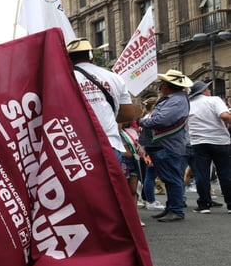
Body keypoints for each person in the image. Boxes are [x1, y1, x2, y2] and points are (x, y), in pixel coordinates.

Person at [137, 69, 193, 222]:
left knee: (172, 178)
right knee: (169, 178)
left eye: (163, 83)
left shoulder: (176, 101)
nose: (160, 86)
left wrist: (141, 121)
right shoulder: (174, 99)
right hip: (164, 145)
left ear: (168, 86)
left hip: (167, 146)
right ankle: (171, 208)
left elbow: (161, 120)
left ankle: (176, 209)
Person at [66, 38, 136, 159]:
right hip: (110, 144)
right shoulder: (114, 78)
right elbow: (128, 114)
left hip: (78, 148)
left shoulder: (63, 80)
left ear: (68, 59)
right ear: (91, 56)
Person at [186, 80, 231, 213]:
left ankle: (204, 204)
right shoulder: (214, 100)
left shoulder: (189, 105)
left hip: (198, 142)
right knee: (225, 172)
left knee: (202, 173)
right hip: (220, 141)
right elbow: (223, 115)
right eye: (208, 89)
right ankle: (230, 204)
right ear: (203, 91)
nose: (210, 91)